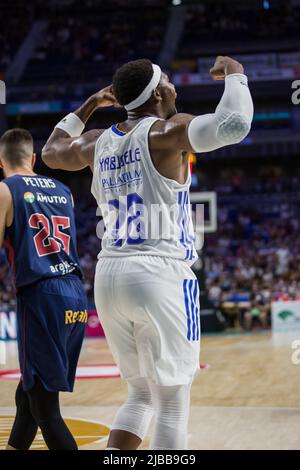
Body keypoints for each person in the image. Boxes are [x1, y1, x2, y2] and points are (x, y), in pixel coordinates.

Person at [42, 55, 253, 449]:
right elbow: (234, 124)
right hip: (160, 273)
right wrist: (236, 74)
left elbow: (52, 151)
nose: (175, 87)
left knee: (139, 395)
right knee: (172, 403)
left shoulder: (95, 141)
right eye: (169, 82)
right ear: (158, 93)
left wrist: (90, 104)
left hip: (109, 275)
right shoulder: (168, 132)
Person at [0, 128, 87, 450]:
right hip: (75, 292)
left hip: (41, 295)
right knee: (30, 392)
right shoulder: (64, 189)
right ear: (33, 158)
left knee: (45, 408)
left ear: (1, 162)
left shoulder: (5, 190)